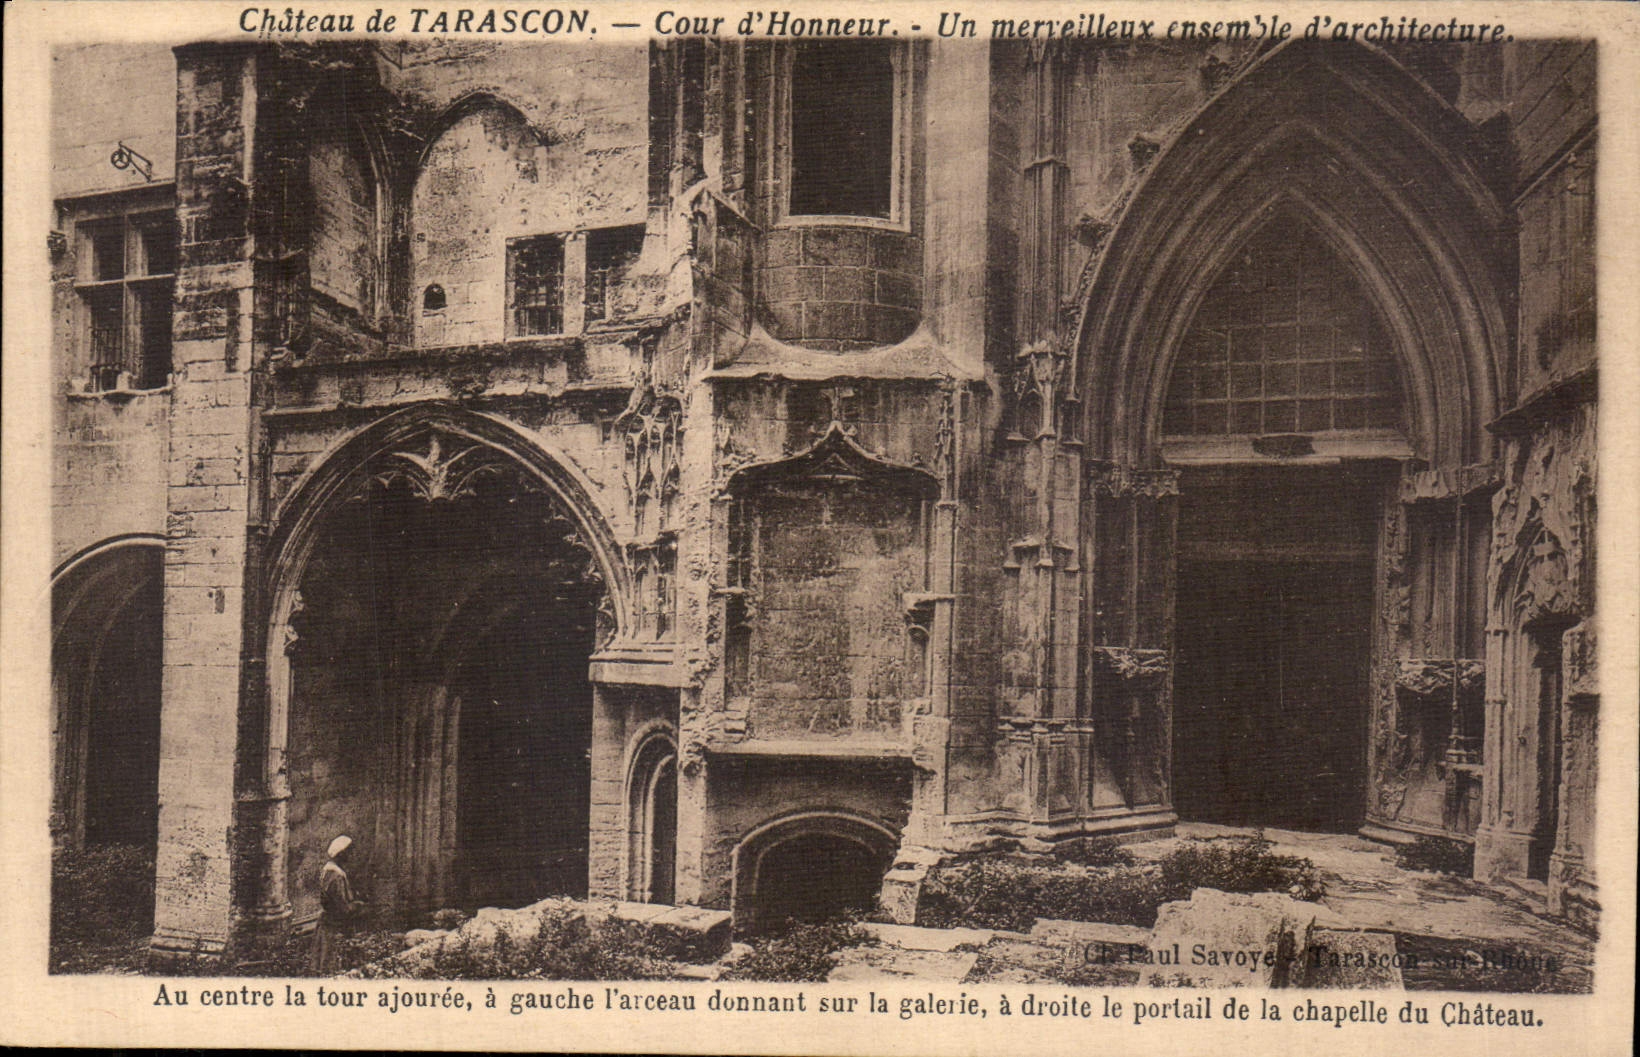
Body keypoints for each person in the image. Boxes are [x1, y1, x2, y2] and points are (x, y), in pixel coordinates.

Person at [308, 834, 367, 974]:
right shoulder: (337, 876)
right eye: (349, 852)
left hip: (327, 923)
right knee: (334, 965)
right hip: (335, 927)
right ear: (341, 854)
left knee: (324, 963)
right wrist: (358, 905)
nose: (351, 856)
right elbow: (342, 908)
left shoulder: (327, 871)